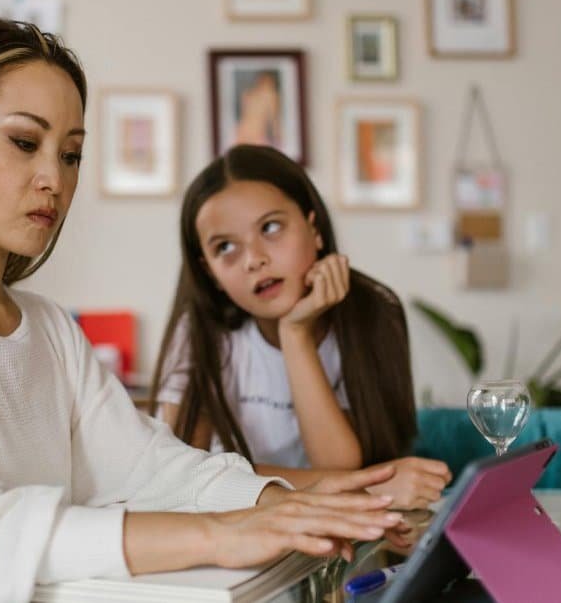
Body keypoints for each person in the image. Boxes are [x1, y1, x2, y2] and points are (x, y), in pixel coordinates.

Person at [0, 17, 406, 603]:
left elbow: (155, 469)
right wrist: (221, 532)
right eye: (25, 142)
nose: (53, 179)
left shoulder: (48, 328)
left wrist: (286, 504)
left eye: (71, 154)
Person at [150, 144, 452, 509]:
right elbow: (185, 474)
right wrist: (366, 490)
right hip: (247, 527)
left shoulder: (374, 312)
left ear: (315, 229)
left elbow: (338, 466)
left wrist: (296, 335)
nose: (254, 259)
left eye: (271, 227)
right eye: (226, 247)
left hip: (350, 533)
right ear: (209, 272)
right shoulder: (200, 331)